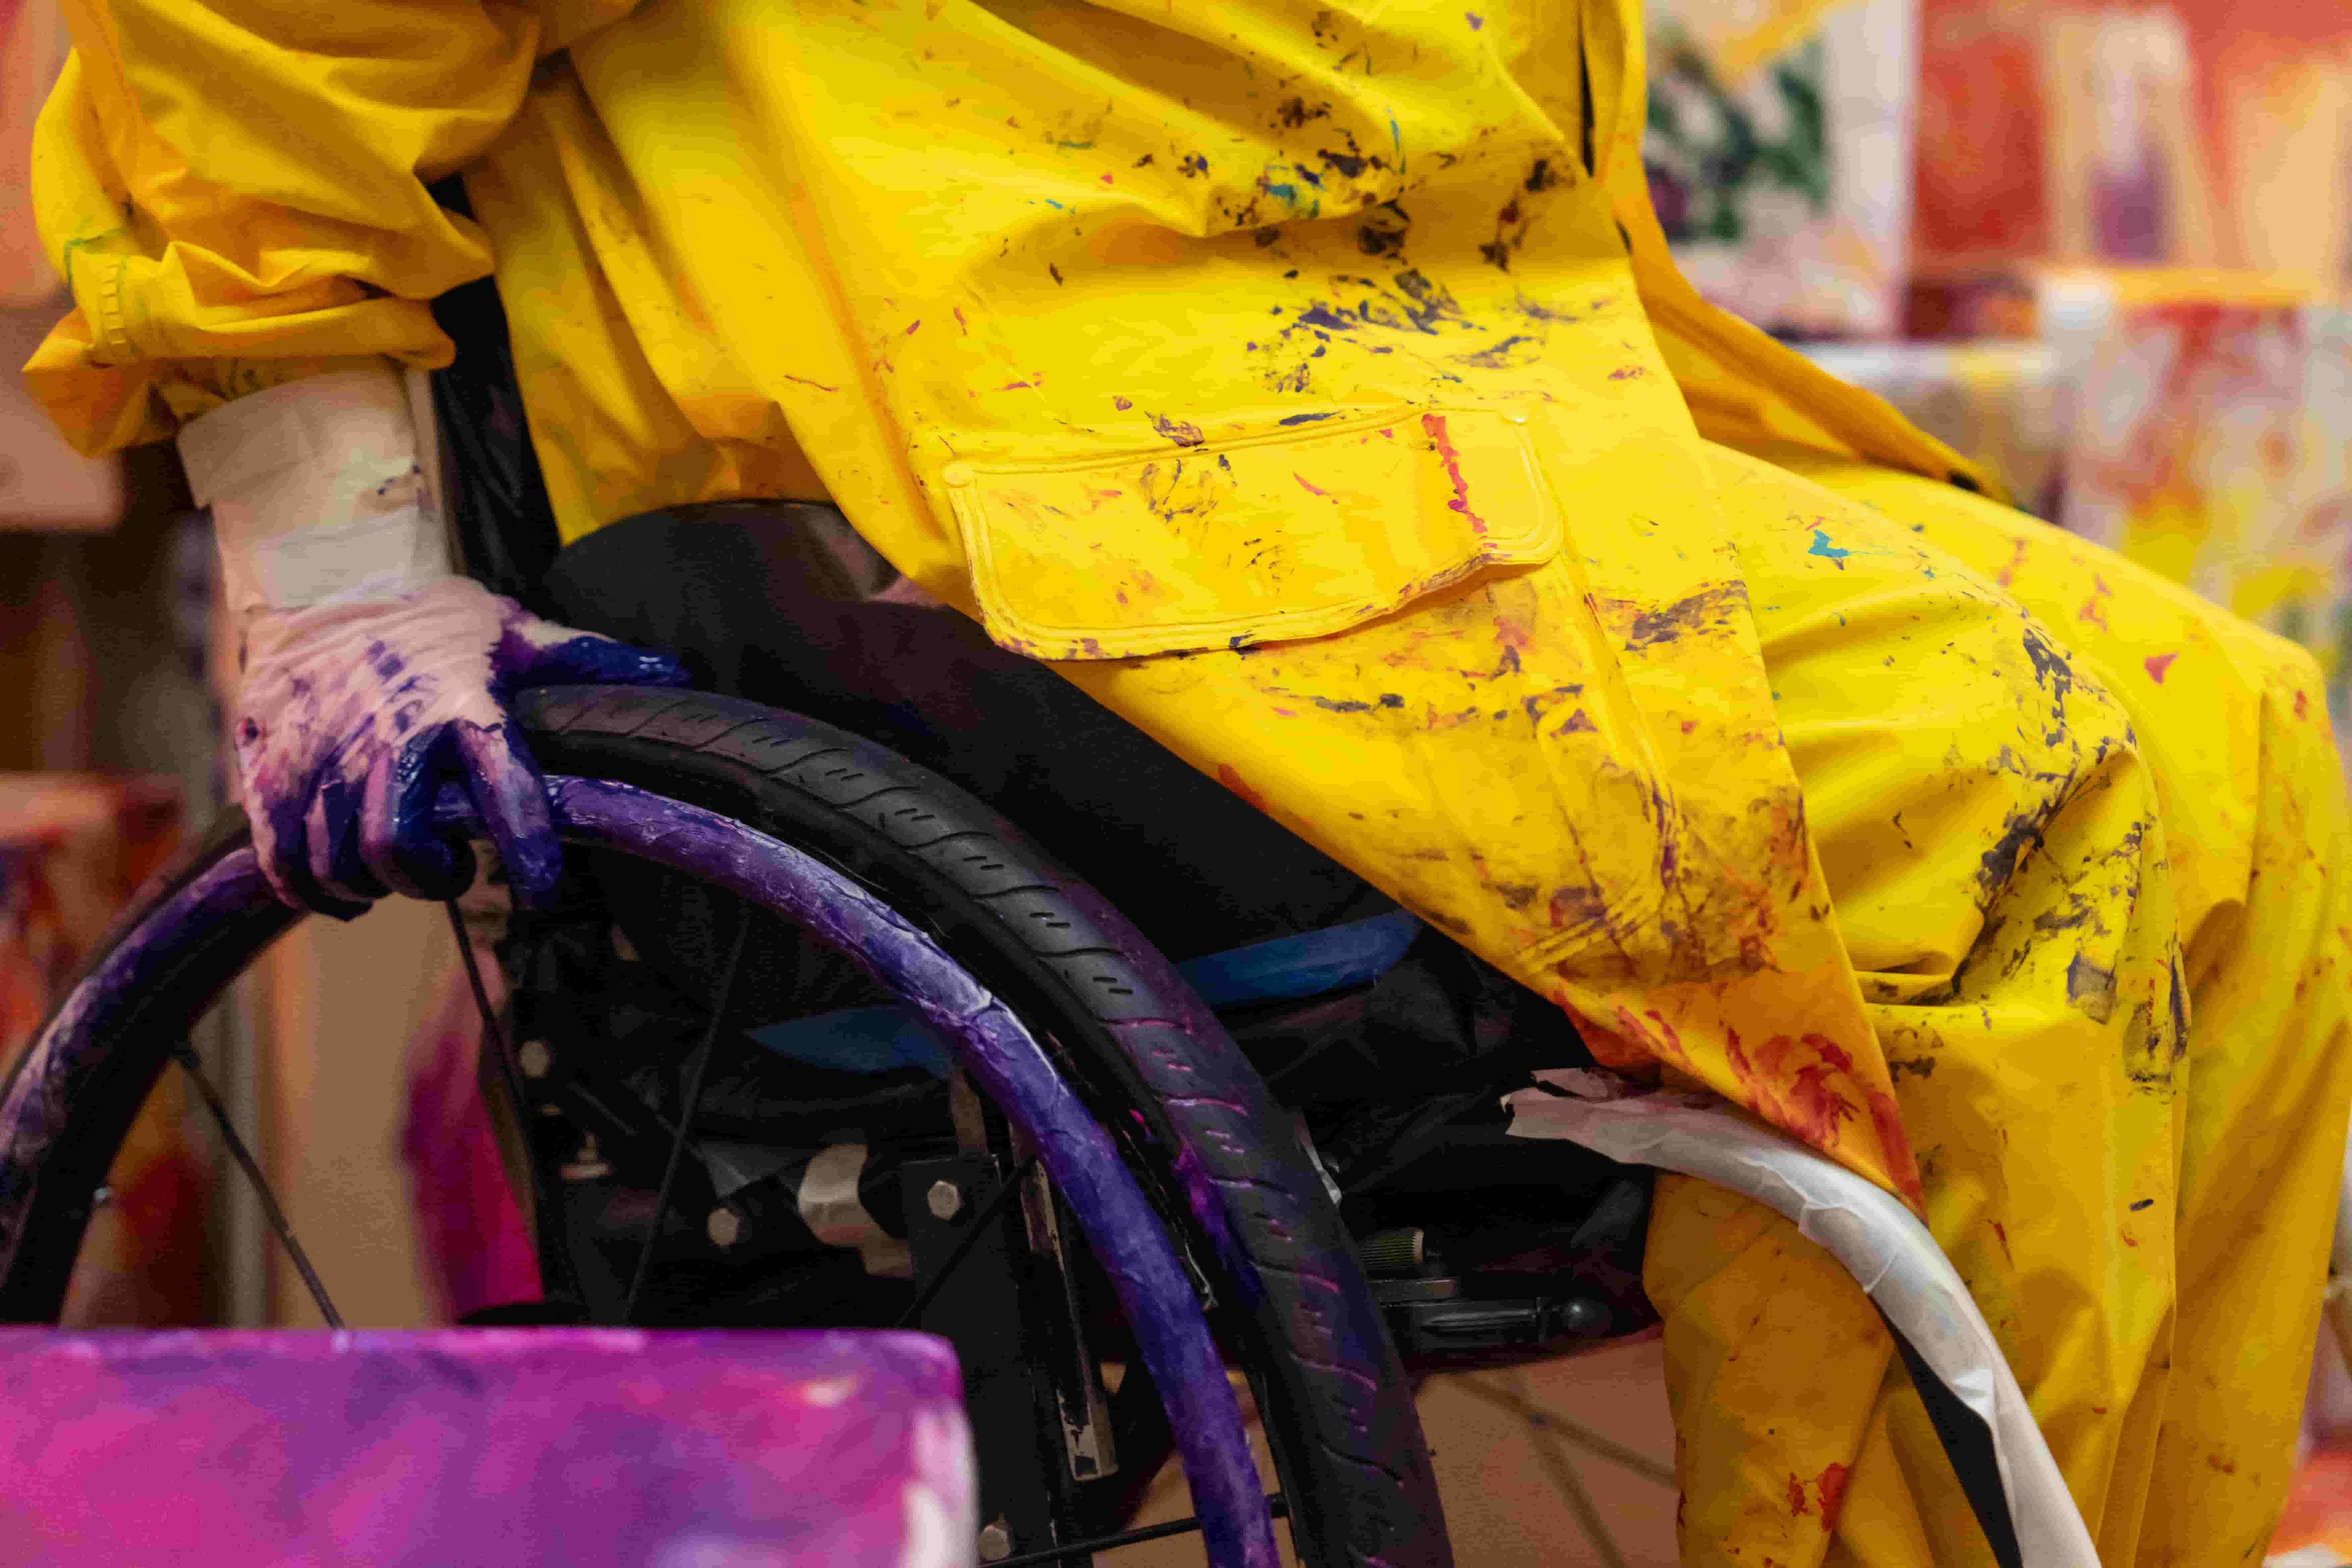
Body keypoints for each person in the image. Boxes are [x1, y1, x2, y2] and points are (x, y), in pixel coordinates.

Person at [26, 0, 2352, 1559]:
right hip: (974, 495)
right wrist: (322, 545)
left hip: (1366, 392)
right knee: (2011, 792)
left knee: (2234, 726)